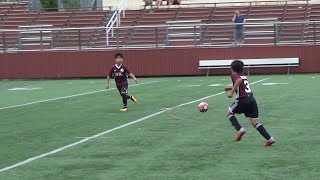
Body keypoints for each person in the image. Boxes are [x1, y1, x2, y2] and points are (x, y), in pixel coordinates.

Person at [224, 60, 275, 146]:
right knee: (254, 121)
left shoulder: (234, 75)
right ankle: (270, 139)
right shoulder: (243, 75)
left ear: (232, 69)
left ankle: (240, 129)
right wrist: (229, 88)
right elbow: (241, 85)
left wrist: (231, 92)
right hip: (251, 100)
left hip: (242, 100)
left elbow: (239, 81)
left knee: (229, 113)